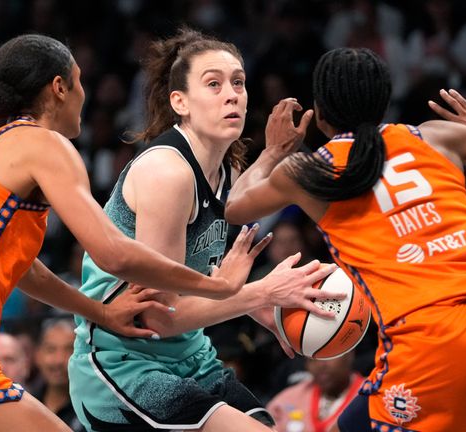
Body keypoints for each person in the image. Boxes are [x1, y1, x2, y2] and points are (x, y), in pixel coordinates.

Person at [0, 34, 261, 432]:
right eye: (80, 81)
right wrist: (219, 286)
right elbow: (113, 254)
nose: (84, 94)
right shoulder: (43, 143)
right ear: (59, 88)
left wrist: (100, 312)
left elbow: (22, 268)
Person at [225, 47, 466, 431]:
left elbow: (235, 207)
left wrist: (273, 151)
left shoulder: (308, 170)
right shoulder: (436, 136)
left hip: (434, 335)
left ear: (320, 112)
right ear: (384, 102)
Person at [68, 28, 338, 432]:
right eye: (213, 84)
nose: (232, 94)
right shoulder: (168, 172)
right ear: (180, 102)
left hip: (191, 356)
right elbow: (160, 318)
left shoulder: (223, 167)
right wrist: (259, 292)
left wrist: (273, 154)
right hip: (125, 364)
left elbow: (226, 227)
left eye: (238, 83)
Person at [267, 353, 365, 432]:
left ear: (349, 354)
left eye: (328, 355)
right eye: (312, 358)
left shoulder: (371, 394)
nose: (320, 364)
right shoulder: (288, 399)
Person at [29, 318, 84, 431]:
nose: (59, 360)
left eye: (69, 350)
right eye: (51, 349)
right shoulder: (26, 403)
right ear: (37, 356)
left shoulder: (94, 409)